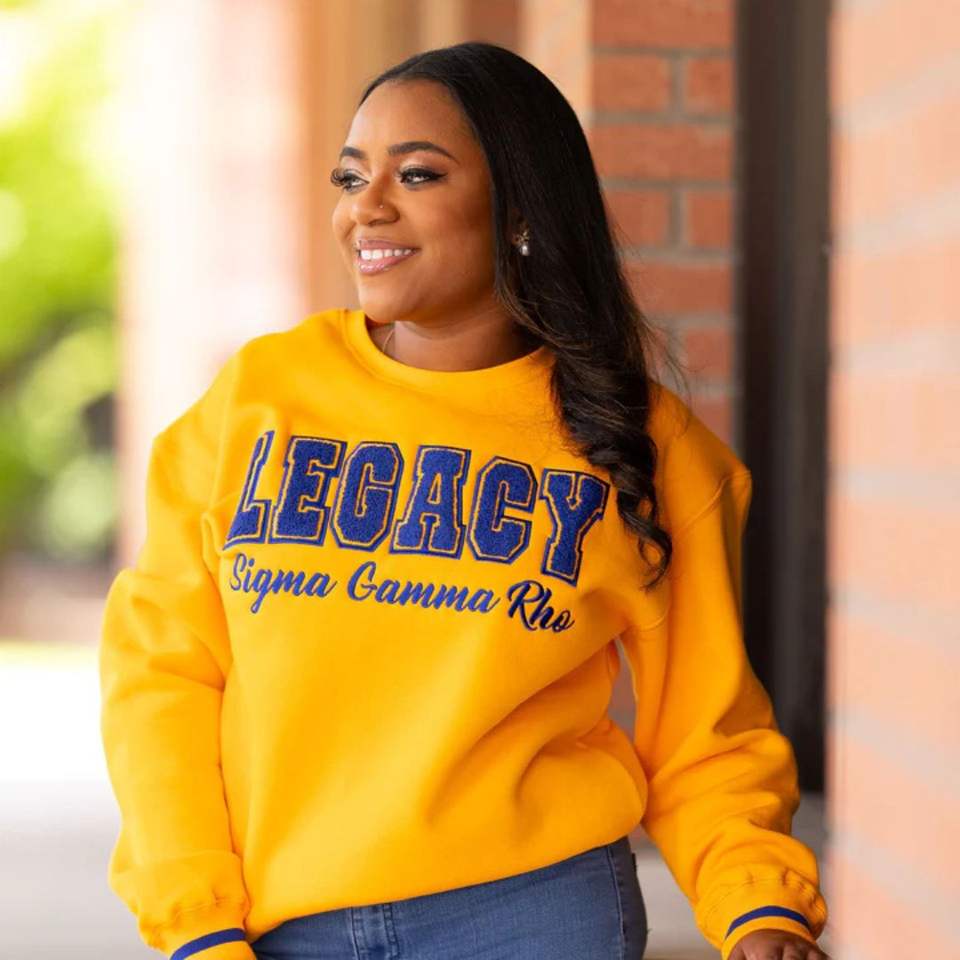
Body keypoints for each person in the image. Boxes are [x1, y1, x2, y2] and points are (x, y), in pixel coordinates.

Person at [98, 41, 831, 960]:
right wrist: (192, 912)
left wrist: (759, 906)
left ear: (519, 209)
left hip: (536, 920)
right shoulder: (257, 400)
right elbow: (161, 676)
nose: (366, 206)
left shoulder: (649, 447)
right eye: (351, 175)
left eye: (417, 174)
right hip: (277, 923)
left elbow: (707, 728)